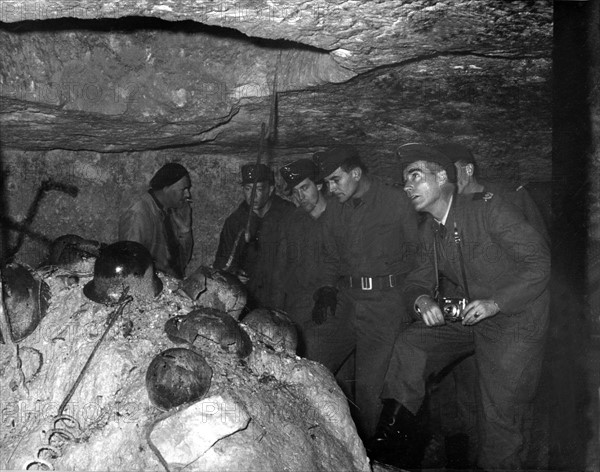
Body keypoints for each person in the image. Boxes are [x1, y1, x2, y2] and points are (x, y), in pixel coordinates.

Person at [370, 143, 550, 470]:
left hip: (516, 321)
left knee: (499, 417)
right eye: (404, 180)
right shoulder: (432, 230)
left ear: (443, 178)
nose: (407, 186)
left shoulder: (488, 210)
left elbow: (539, 263)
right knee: (413, 343)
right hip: (473, 316)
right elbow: (416, 281)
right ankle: (389, 445)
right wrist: (422, 300)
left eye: (415, 176)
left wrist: (497, 302)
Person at [311, 145, 420, 441]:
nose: (330, 188)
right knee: (314, 362)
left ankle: (370, 454)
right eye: (327, 182)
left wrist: (410, 302)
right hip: (347, 300)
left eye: (336, 180)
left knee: (371, 391)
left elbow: (419, 255)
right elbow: (330, 257)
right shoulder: (335, 207)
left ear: (356, 173)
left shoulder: (396, 201)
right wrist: (325, 289)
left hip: (386, 305)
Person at [272, 158, 355, 397]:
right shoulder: (293, 222)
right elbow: (283, 269)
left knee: (334, 373)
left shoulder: (342, 215)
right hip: (301, 306)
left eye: (304, 188)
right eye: (294, 193)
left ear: (319, 185)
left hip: (337, 305)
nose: (300, 197)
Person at [213, 163, 293, 309]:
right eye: (248, 189)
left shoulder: (288, 215)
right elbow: (222, 262)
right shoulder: (236, 222)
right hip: (250, 296)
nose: (252, 195)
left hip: (284, 294)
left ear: (271, 190)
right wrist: (234, 275)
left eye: (259, 189)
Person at [436, 142, 549, 242]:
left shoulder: (509, 197)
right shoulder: (446, 207)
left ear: (468, 170)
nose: (445, 179)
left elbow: (538, 247)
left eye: (450, 171)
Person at [118, 162, 193, 279]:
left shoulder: (170, 211)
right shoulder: (139, 214)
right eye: (183, 189)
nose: (188, 194)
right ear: (166, 188)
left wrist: (185, 231)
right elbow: (130, 265)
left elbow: (181, 263)